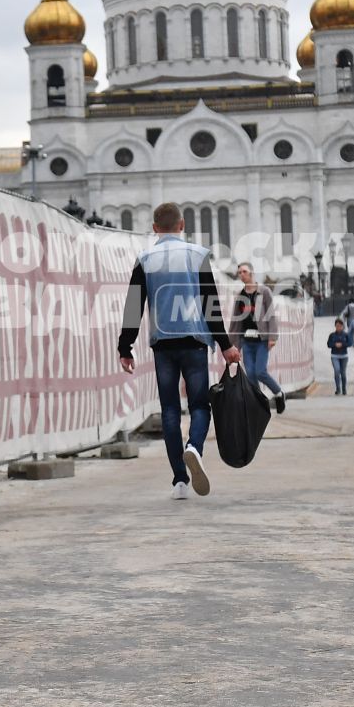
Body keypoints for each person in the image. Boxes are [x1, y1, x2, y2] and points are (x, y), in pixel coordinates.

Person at [119, 204, 242, 499]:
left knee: (171, 409)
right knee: (200, 406)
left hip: (163, 344)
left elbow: (133, 305)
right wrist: (226, 346)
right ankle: (194, 447)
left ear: (154, 228)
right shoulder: (197, 255)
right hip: (195, 341)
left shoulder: (145, 259)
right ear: (182, 224)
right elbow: (210, 303)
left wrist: (125, 346)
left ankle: (180, 481)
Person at [231, 263, 285, 414]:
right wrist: (232, 345)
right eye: (239, 272)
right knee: (250, 374)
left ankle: (279, 393)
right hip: (246, 341)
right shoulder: (240, 296)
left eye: (244, 271)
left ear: (252, 273)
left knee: (260, 371)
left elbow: (271, 315)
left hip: (262, 340)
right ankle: (258, 403)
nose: (242, 274)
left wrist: (273, 337)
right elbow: (235, 322)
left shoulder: (264, 292)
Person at [326, 317, 353, 395]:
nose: (339, 328)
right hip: (335, 355)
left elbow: (350, 343)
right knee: (337, 371)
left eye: (340, 326)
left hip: (344, 356)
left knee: (343, 372)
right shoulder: (332, 335)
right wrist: (334, 344)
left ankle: (344, 388)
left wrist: (342, 344)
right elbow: (328, 344)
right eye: (337, 326)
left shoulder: (346, 334)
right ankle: (338, 388)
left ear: (342, 326)